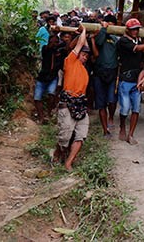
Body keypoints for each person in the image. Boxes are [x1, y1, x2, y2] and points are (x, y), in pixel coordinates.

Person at [116, 18, 144, 145]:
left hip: (137, 78)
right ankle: (122, 127)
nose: (136, 31)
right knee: (125, 108)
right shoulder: (123, 41)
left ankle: (131, 134)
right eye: (133, 29)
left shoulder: (139, 40)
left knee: (136, 108)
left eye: (137, 29)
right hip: (126, 78)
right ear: (127, 29)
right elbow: (138, 48)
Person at [54, 25, 90, 171]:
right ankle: (59, 150)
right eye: (83, 55)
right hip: (67, 103)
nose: (85, 57)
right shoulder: (70, 61)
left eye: (87, 56)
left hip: (80, 103)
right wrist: (84, 30)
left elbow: (84, 45)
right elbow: (80, 44)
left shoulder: (84, 70)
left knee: (81, 136)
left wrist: (84, 34)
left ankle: (69, 162)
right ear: (77, 53)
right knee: (64, 137)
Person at [89, 14, 119, 137]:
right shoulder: (100, 35)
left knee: (112, 100)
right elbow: (99, 42)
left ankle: (111, 117)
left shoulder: (116, 39)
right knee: (101, 103)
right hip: (99, 73)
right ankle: (105, 129)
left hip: (112, 73)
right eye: (108, 24)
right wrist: (103, 29)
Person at [34, 33, 62, 124]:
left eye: (56, 42)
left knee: (51, 95)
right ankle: (41, 117)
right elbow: (47, 48)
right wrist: (54, 35)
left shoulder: (60, 52)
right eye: (52, 42)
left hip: (53, 78)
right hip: (42, 78)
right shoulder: (45, 49)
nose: (54, 43)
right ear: (49, 42)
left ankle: (49, 114)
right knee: (37, 98)